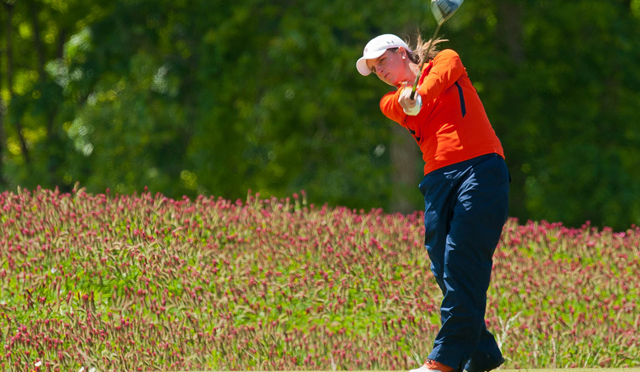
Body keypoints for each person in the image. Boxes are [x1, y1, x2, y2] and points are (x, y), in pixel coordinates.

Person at [356, 34, 510, 372]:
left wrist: (420, 93)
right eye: (374, 69)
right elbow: (405, 106)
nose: (379, 71)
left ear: (401, 52)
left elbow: (439, 77)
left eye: (383, 61)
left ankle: (443, 361)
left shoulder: (447, 60)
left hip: (481, 170)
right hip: (439, 181)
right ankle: (480, 352)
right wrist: (411, 98)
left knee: (460, 259)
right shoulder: (390, 102)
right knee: (443, 265)